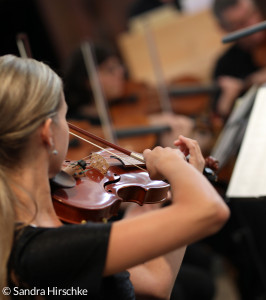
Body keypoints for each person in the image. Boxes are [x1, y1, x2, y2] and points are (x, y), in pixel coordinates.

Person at [0, 54, 229, 300]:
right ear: (48, 134)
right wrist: (176, 167)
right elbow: (211, 210)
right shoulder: (51, 248)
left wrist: (144, 206)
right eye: (65, 118)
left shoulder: (35, 230)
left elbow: (156, 283)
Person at [63, 43, 195, 148]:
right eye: (110, 69)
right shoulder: (75, 127)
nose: (120, 72)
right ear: (87, 80)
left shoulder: (126, 105)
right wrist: (148, 123)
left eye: (119, 66)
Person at [211, 0, 266, 119]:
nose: (253, 24)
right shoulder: (225, 66)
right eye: (241, 23)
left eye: (252, 14)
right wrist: (256, 79)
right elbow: (221, 115)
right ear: (224, 28)